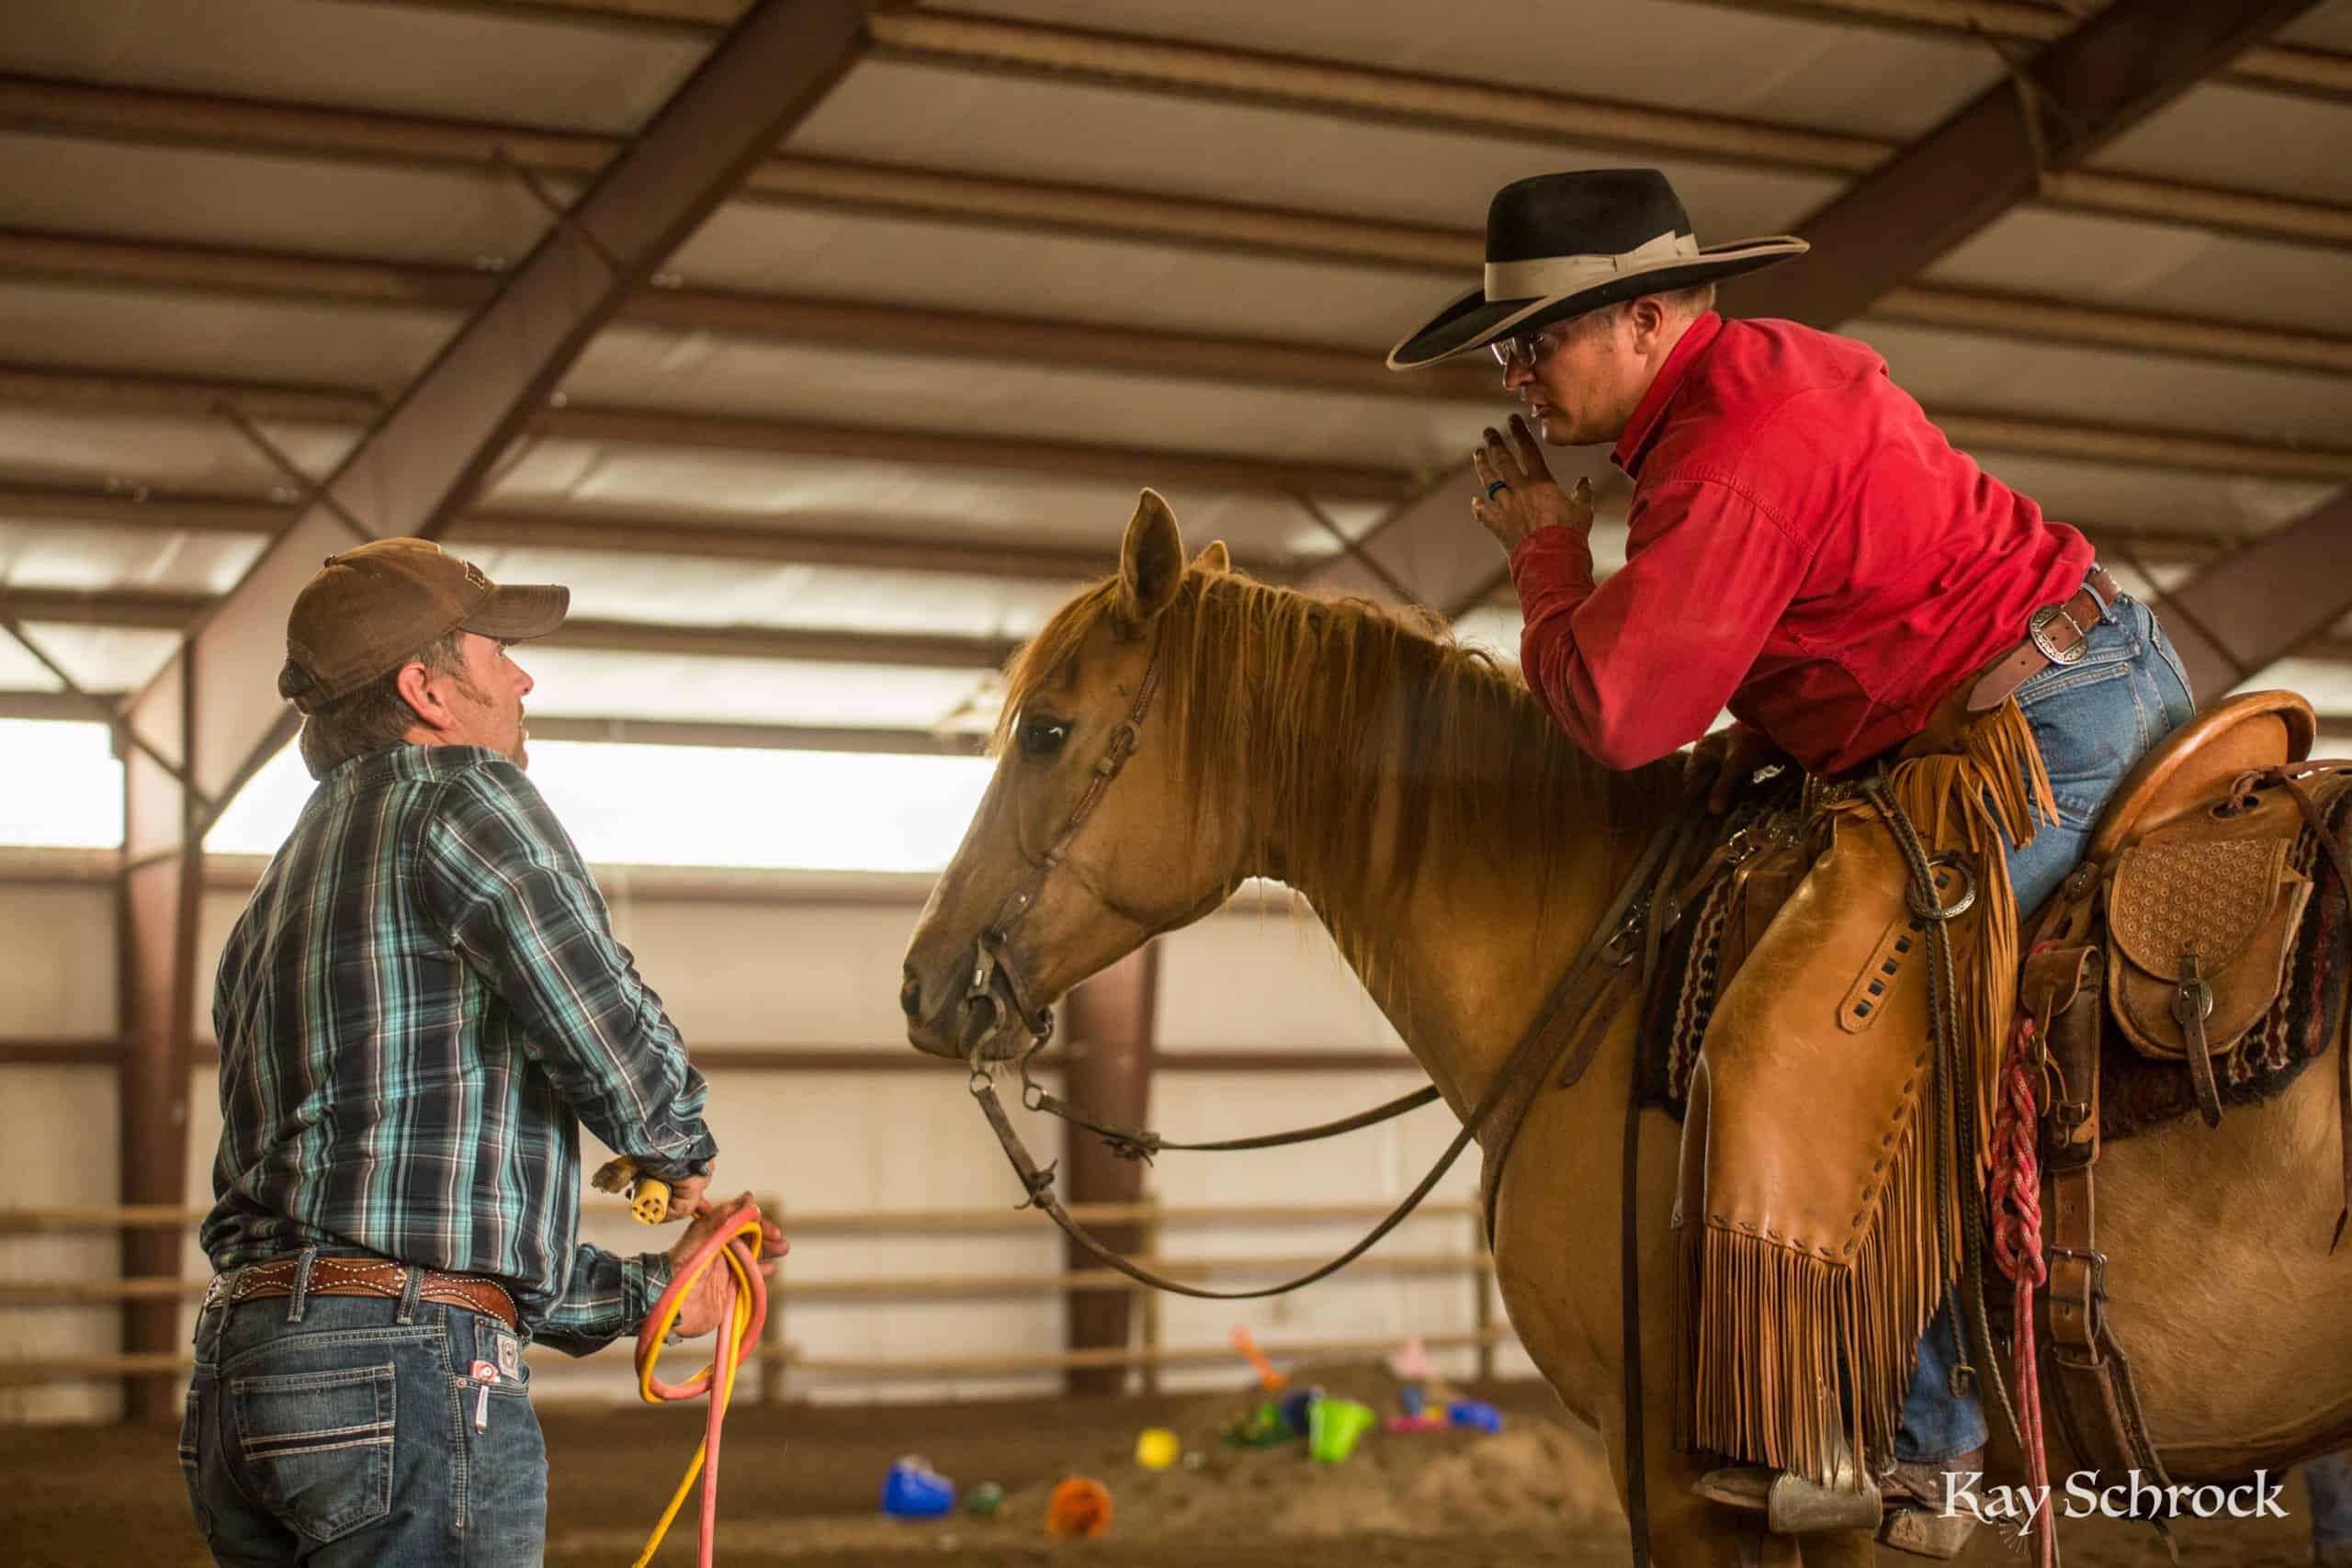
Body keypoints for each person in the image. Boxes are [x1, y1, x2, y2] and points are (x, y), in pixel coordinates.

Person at [1388, 170, 2195, 1521]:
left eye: (1536, 339)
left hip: (2046, 729)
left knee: (1850, 1024)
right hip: (2058, 683)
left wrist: (1546, 561)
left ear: (1645, 320)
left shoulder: (1724, 458)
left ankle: (1922, 1435)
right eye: (1507, 349)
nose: (1517, 371)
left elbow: (1621, 714)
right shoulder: (1752, 388)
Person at [180, 538, 785, 1565]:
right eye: (494, 649)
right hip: (406, 1380)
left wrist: (656, 1292)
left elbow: (406, 1236)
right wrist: (677, 1151)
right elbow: (598, 1014)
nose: (523, 673)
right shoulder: (464, 796)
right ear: (427, 689)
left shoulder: (279, 895)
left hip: (247, 1379)